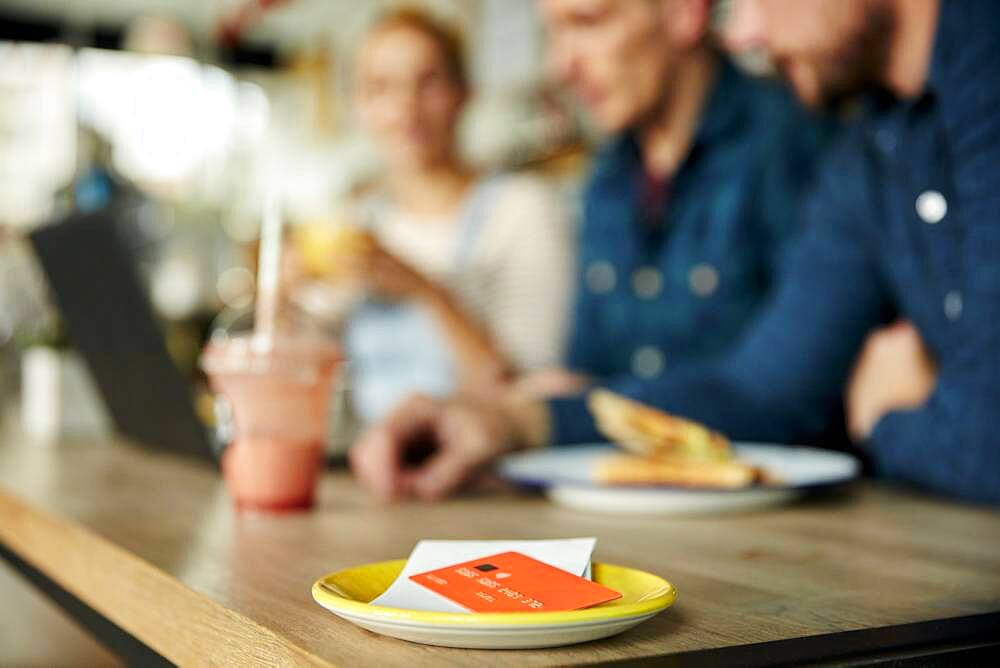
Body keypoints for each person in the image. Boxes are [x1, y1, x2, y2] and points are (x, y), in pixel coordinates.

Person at [350, 0, 834, 501]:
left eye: (588, 22)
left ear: (683, 13)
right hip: (636, 503)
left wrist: (537, 417)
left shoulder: (794, 145)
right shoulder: (609, 177)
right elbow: (589, 373)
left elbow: (783, 394)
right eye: (553, 33)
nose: (561, 64)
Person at [322, 8, 573, 424]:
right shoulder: (358, 223)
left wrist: (425, 291)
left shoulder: (523, 208)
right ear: (359, 105)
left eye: (428, 82)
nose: (406, 109)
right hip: (375, 468)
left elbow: (533, 390)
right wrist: (282, 298)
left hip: (485, 475)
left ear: (464, 92)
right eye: (381, 87)